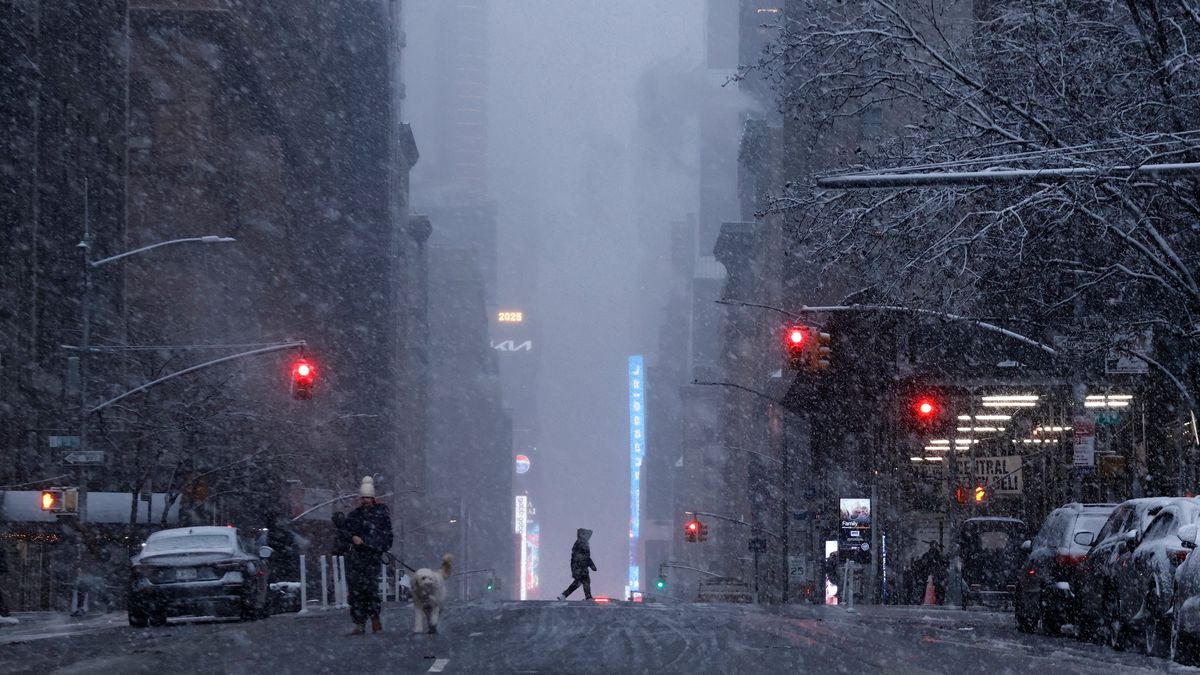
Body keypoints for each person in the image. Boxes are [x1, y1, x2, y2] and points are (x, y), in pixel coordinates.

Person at [343, 476, 393, 635]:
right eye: (363, 498)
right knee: (356, 591)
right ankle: (359, 622)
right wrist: (352, 538)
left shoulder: (381, 515)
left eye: (368, 498)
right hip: (355, 559)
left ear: (373, 498)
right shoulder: (354, 515)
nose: (365, 501)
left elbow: (386, 537)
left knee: (370, 589)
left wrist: (369, 544)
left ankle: (374, 618)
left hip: (371, 558)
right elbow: (345, 532)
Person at [557, 528, 596, 601]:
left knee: (578, 582)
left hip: (578, 566)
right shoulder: (582, 543)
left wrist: (590, 565)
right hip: (580, 567)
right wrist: (591, 565)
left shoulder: (580, 542)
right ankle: (588, 597)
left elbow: (583, 556)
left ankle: (563, 595)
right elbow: (584, 556)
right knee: (585, 581)